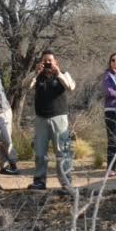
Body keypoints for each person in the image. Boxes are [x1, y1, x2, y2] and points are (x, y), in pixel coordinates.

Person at [25, 50, 76, 190]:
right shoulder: (38, 76)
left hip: (59, 118)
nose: (47, 63)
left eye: (50, 60)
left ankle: (66, 182)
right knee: (40, 152)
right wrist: (35, 73)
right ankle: (39, 181)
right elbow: (26, 86)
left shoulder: (63, 74)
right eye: (45, 60)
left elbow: (71, 87)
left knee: (62, 152)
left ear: (56, 62)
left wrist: (58, 73)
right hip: (41, 118)